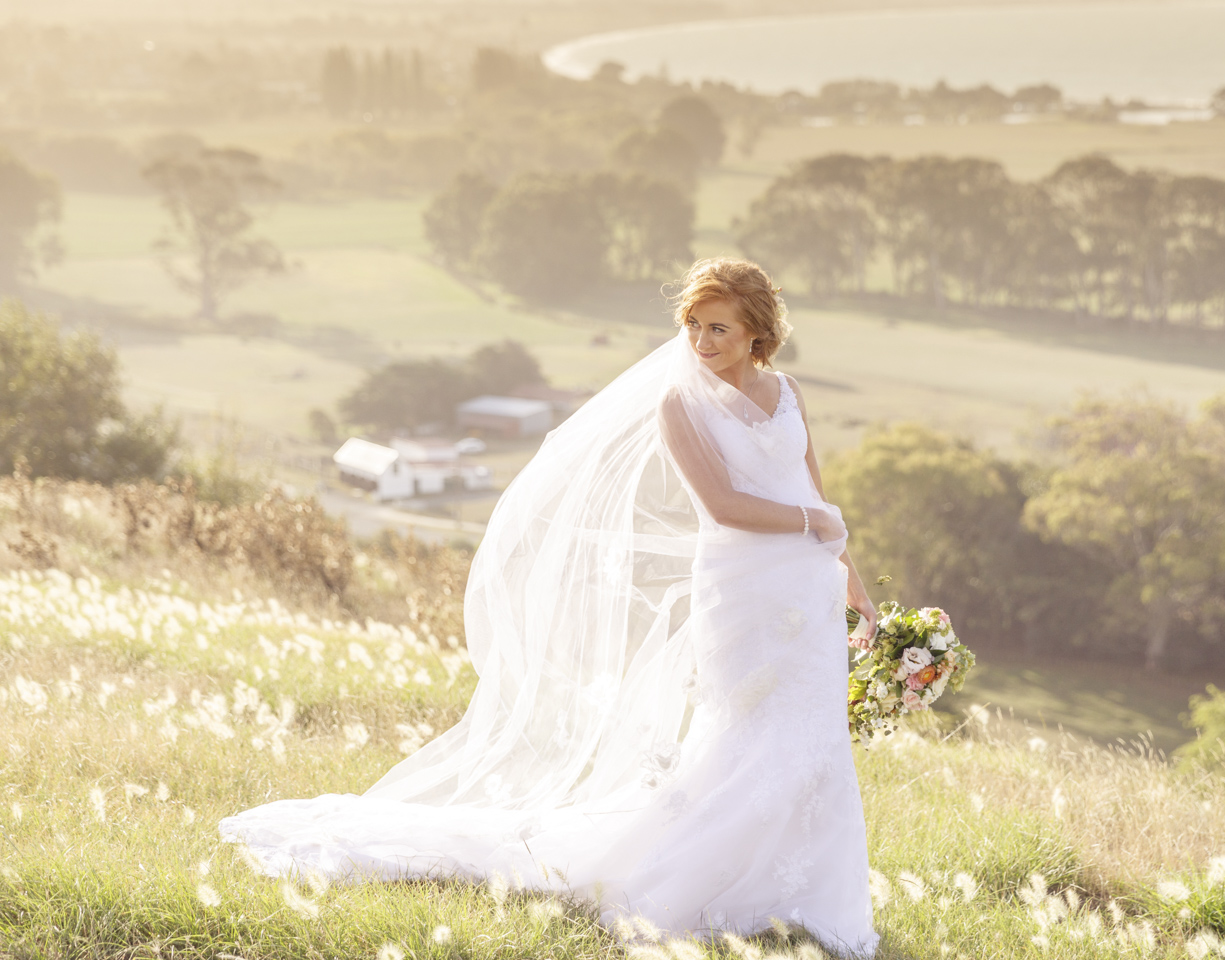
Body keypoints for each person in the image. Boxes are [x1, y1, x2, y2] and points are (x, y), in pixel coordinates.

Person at [219, 257, 881, 956]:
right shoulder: (678, 405)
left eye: (718, 327)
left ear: (757, 333)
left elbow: (816, 495)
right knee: (742, 738)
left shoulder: (788, 394)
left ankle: (809, 894)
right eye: (692, 324)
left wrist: (850, 578)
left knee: (812, 741)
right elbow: (723, 506)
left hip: (804, 588)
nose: (701, 341)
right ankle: (690, 882)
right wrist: (814, 529)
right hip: (742, 589)